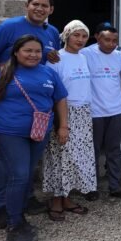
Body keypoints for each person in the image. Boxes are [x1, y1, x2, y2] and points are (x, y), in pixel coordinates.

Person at [0, 0, 61, 222]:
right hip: (10, 100)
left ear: (51, 10)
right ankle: (2, 206)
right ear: (27, 5)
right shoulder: (8, 27)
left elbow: (46, 59)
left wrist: (50, 57)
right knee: (8, 163)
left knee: (27, 164)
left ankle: (25, 197)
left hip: (36, 111)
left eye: (45, 6)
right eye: (35, 4)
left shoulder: (51, 32)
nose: (39, 9)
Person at [0, 35, 69, 241]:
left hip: (38, 132)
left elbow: (60, 99)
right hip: (9, 133)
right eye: (28, 51)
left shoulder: (49, 73)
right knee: (19, 175)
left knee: (22, 173)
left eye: (37, 51)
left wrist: (63, 126)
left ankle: (5, 212)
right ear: (16, 52)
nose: (33, 55)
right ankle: (15, 224)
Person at [43, 21, 97, 221]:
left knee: (75, 158)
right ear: (66, 36)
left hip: (83, 114)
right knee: (60, 157)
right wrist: (61, 124)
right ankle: (56, 200)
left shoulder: (84, 57)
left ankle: (66, 197)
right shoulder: (56, 59)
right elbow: (54, 93)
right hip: (64, 114)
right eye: (76, 35)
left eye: (84, 36)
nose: (80, 40)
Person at [81, 22, 121, 199]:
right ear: (97, 38)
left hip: (115, 111)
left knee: (114, 150)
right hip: (94, 112)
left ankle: (115, 185)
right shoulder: (85, 54)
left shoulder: (120, 56)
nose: (111, 44)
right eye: (107, 40)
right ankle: (90, 187)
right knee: (91, 151)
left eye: (114, 41)